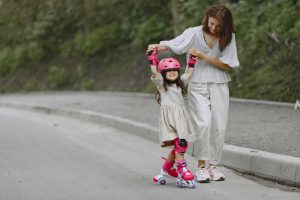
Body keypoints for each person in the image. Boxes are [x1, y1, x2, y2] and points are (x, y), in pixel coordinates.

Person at [147, 5, 239, 183]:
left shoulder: (229, 37)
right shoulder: (194, 33)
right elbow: (175, 44)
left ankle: (214, 166)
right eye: (211, 24)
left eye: (218, 26)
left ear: (225, 25)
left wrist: (204, 57)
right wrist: (157, 47)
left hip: (220, 83)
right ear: (207, 19)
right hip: (197, 82)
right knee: (204, 123)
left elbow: (227, 65)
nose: (213, 28)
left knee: (219, 125)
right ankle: (202, 166)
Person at [147, 49, 197, 188]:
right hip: (169, 121)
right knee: (180, 145)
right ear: (163, 73)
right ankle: (183, 170)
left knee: (179, 146)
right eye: (168, 71)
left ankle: (166, 169)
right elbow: (155, 73)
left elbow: (189, 73)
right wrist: (152, 59)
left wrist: (192, 60)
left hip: (180, 119)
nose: (172, 72)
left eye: (175, 70)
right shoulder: (162, 85)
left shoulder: (180, 82)